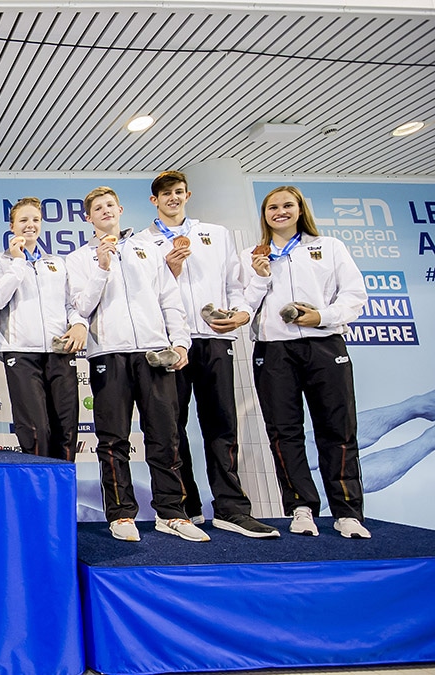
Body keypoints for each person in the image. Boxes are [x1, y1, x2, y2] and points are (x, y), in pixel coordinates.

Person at [131, 171, 280, 538]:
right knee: (169, 429)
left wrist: (241, 313)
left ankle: (230, 508)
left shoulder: (216, 234)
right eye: (166, 194)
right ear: (154, 200)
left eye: (179, 192)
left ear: (188, 195)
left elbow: (235, 284)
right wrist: (171, 269)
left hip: (214, 339)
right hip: (168, 343)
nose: (173, 198)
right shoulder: (141, 243)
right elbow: (140, 295)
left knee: (222, 425)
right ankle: (185, 508)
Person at [65, 186, 207, 543]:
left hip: (154, 353)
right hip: (108, 354)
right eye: (97, 208)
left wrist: (180, 341)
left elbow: (168, 298)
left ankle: (172, 512)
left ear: (121, 209)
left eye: (110, 205)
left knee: (165, 435)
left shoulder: (149, 249)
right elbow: (80, 307)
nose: (105, 211)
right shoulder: (79, 259)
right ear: (88, 217)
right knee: (113, 439)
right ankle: (121, 513)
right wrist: (101, 265)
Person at [244, 185, 370, 538]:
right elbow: (244, 305)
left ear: (300, 210)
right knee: (284, 432)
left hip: (324, 344)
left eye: (287, 205)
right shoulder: (252, 254)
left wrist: (323, 316)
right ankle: (300, 507)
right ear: (264, 214)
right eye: (272, 207)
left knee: (338, 429)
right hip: (273, 350)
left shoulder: (328, 247)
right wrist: (259, 275)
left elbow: (355, 294)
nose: (279, 211)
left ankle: (347, 511)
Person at [0, 198, 85, 460]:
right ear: (12, 226)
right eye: (24, 220)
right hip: (21, 353)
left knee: (66, 429)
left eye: (35, 220)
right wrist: (18, 262)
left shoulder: (56, 263)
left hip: (59, 351)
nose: (30, 225)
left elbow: (68, 305)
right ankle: (40, 496)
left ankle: (63, 497)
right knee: (35, 430)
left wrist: (78, 324)